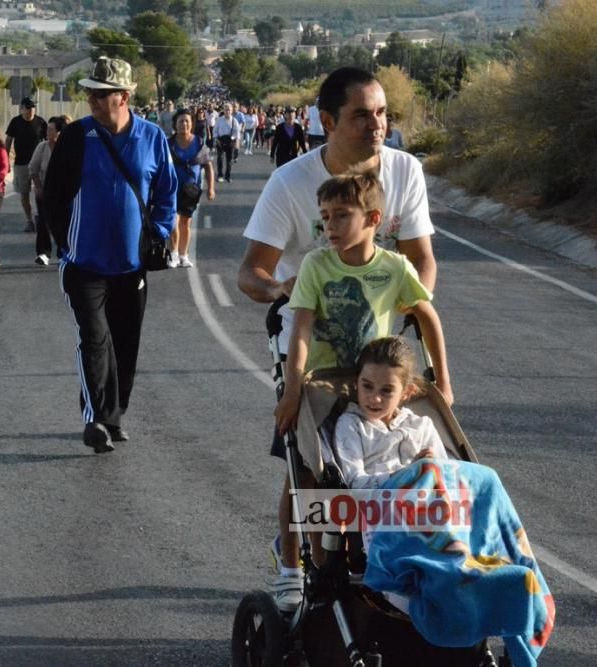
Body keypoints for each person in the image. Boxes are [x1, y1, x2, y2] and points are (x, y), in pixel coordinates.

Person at [236, 66, 440, 614]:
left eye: (382, 113)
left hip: (378, 353)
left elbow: (421, 260)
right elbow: (250, 272)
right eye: (362, 115)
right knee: (311, 465)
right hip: (313, 357)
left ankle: (382, 555)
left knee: (392, 452)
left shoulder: (405, 171)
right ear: (327, 121)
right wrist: (290, 291)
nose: (377, 125)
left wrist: (407, 308)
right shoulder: (290, 183)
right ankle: (294, 563)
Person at [43, 56, 177, 454]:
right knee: (94, 339)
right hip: (84, 265)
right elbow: (53, 195)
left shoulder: (152, 138)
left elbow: (168, 193)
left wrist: (162, 232)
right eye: (90, 94)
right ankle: (95, 419)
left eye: (101, 95)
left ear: (125, 96)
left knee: (125, 344)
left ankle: (114, 414)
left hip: (131, 266)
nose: (93, 101)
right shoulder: (76, 137)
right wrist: (65, 243)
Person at [274, 171, 451, 435]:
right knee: (307, 468)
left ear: (373, 218)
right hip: (322, 384)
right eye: (325, 217)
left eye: (342, 215)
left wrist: (443, 382)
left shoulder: (396, 268)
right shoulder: (316, 264)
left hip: (374, 383)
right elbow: (301, 329)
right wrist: (292, 391)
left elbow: (427, 317)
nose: (330, 225)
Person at [334, 336, 448, 491]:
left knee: (488, 478)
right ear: (356, 383)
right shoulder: (351, 425)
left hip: (428, 504)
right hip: (378, 507)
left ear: (406, 392)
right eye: (367, 386)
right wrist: (408, 474)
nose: (375, 398)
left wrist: (432, 467)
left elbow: (448, 476)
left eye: (386, 390)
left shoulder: (421, 426)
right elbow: (354, 483)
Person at [167, 108, 215, 268]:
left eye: (187, 121)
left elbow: (208, 166)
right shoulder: (169, 144)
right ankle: (173, 253)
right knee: (173, 221)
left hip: (191, 189)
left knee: (186, 222)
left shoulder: (199, 143)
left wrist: (211, 188)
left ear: (192, 124)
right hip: (171, 188)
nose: (184, 124)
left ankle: (184, 255)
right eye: (180, 121)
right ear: (175, 124)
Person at [28, 115, 68, 265]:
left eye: (51, 129)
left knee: (62, 222)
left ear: (59, 132)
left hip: (63, 192)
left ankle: (63, 252)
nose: (47, 132)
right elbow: (33, 168)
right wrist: (38, 187)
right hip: (44, 190)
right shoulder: (42, 147)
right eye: (47, 129)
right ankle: (43, 253)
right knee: (43, 221)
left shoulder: (67, 148)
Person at [5, 97, 47, 233]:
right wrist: (5, 160)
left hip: (39, 164)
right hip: (21, 163)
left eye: (33, 107)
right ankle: (29, 220)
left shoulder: (41, 122)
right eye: (28, 107)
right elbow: (8, 141)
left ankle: (41, 217)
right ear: (22, 108)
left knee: (40, 192)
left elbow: (48, 141)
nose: (31, 110)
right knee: (24, 193)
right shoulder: (15, 122)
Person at [212, 103, 241, 183]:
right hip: (220, 140)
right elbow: (215, 131)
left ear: (231, 111)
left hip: (230, 141)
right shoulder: (219, 120)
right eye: (226, 109)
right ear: (223, 110)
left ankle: (228, 176)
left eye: (229, 110)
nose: (227, 111)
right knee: (220, 158)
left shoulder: (234, 121)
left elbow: (237, 132)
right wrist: (217, 139)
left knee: (229, 160)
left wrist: (235, 141)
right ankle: (220, 175)